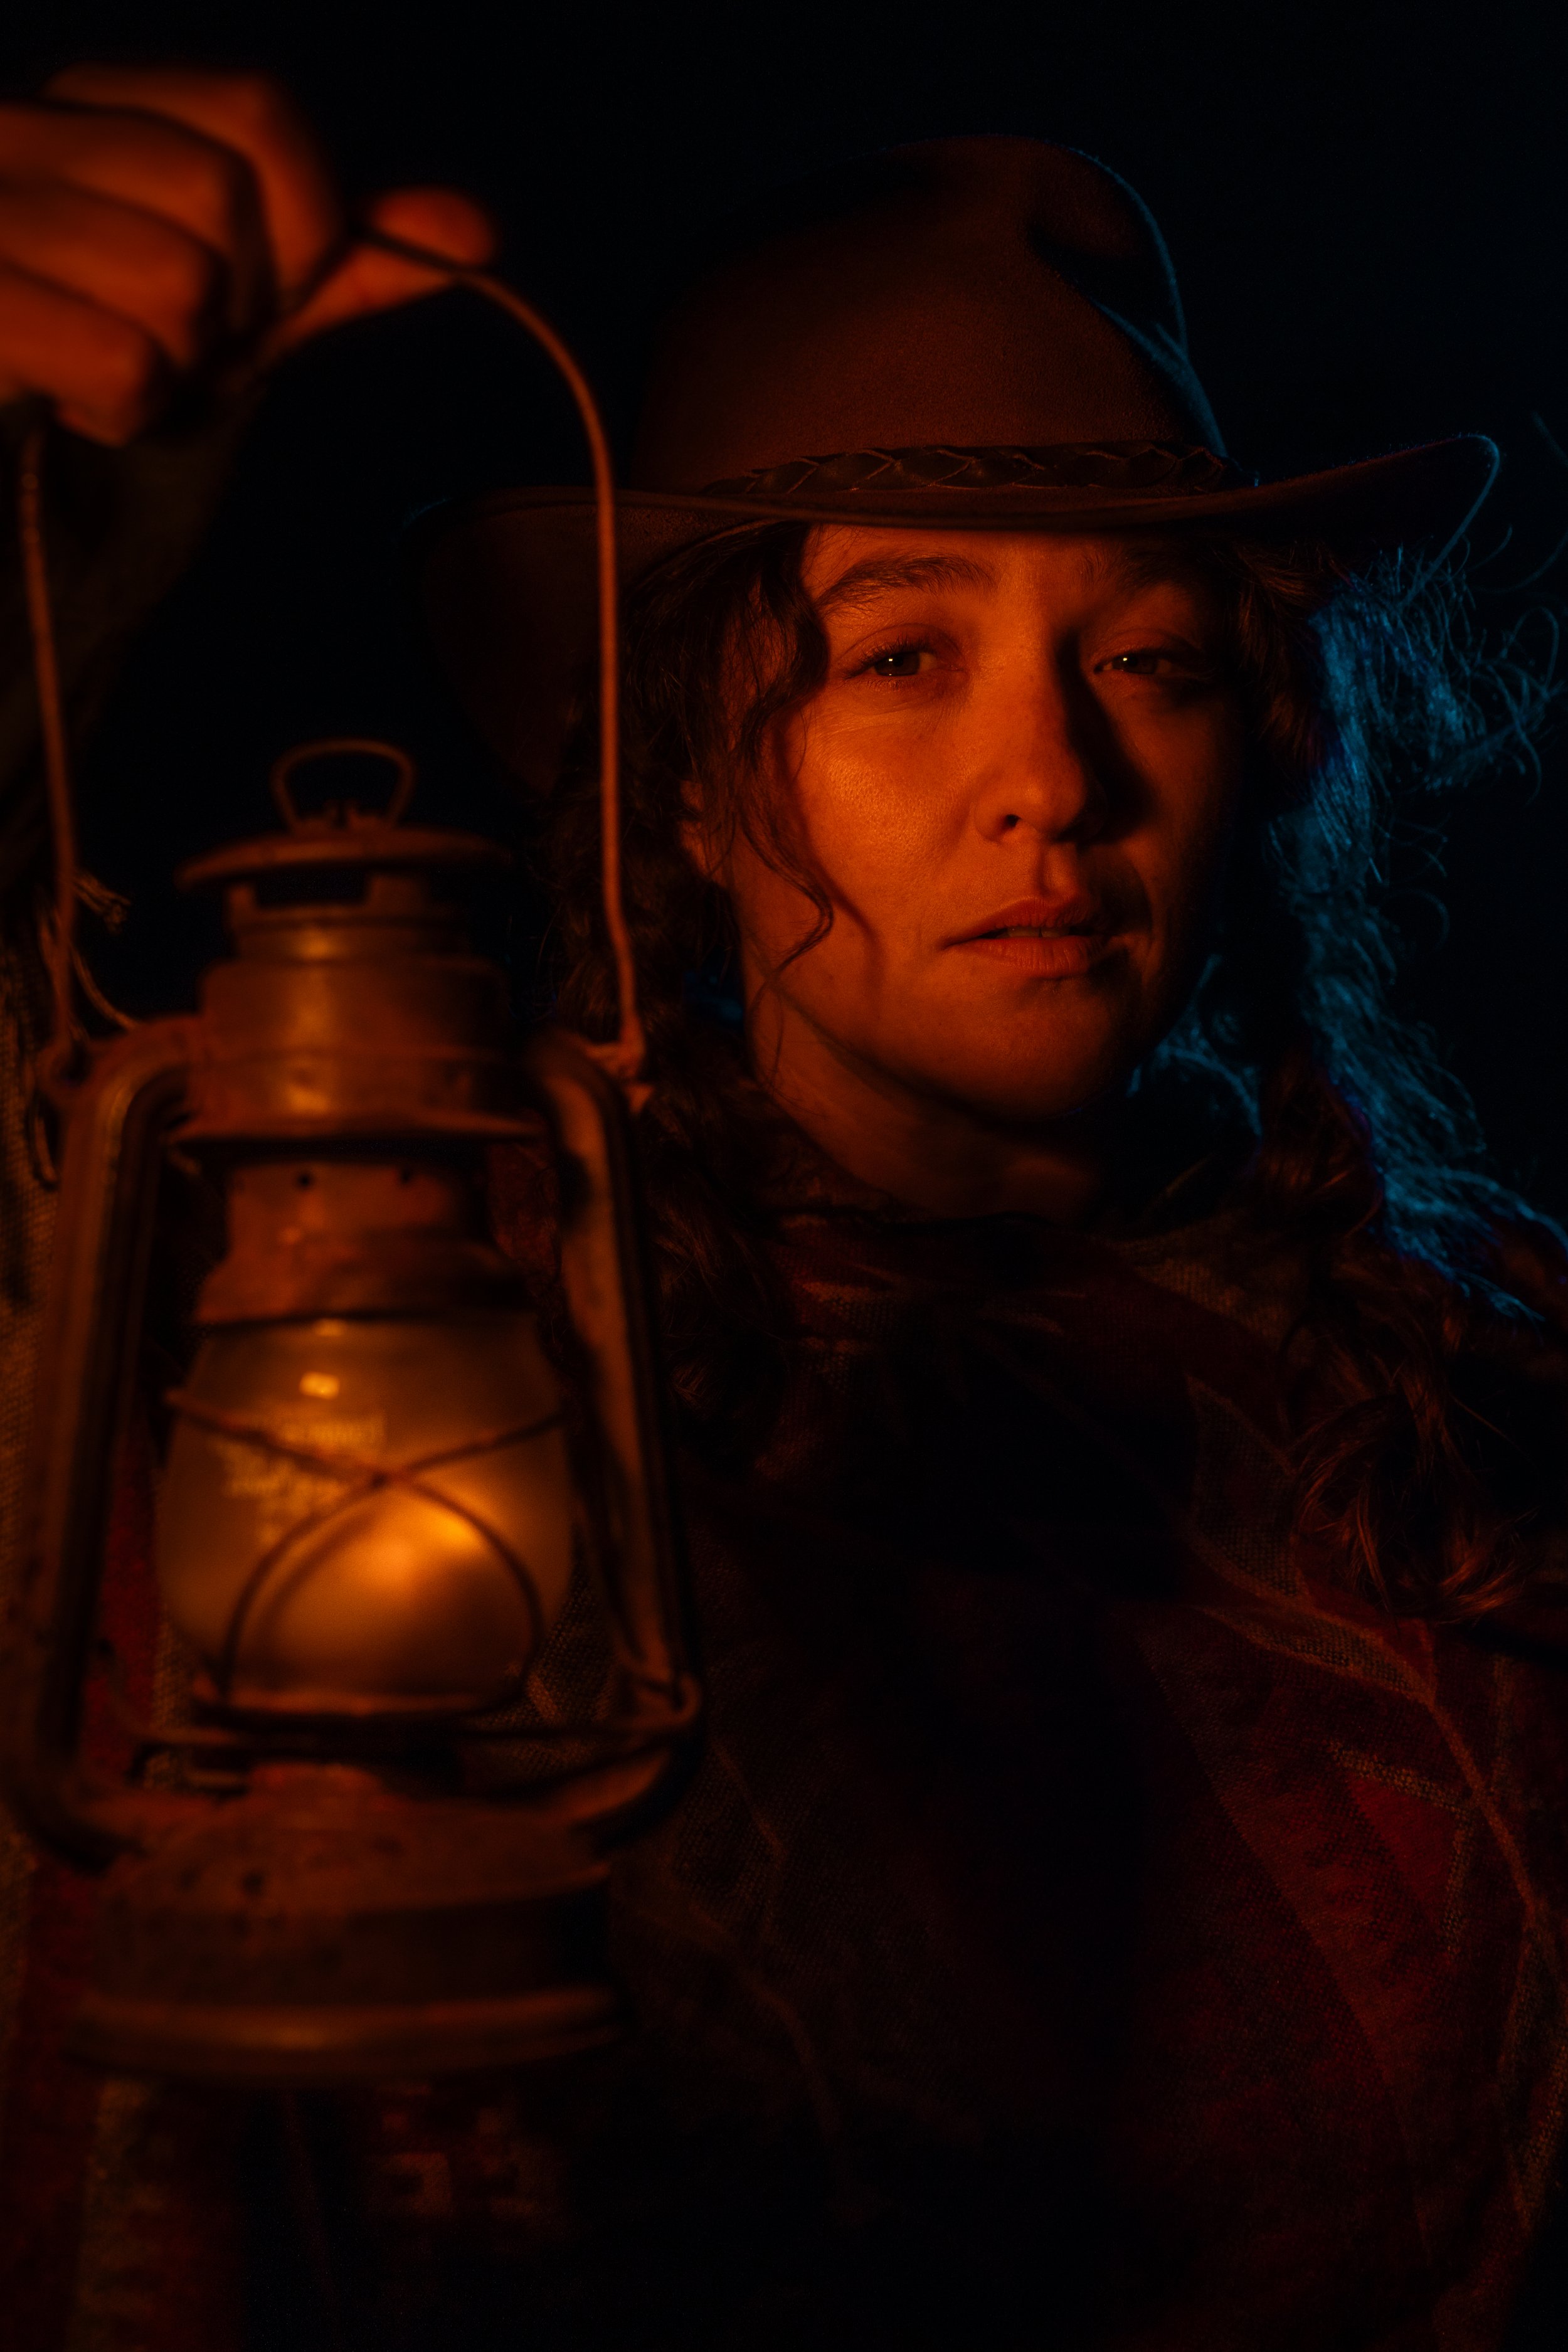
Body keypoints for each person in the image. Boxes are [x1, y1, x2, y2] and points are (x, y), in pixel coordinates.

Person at [2, 63, 1568, 2352]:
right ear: (685, 790)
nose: (1050, 780)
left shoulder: (1472, 1375)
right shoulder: (422, 1403)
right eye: (900, 659)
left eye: (1143, 658)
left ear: (1262, 739)